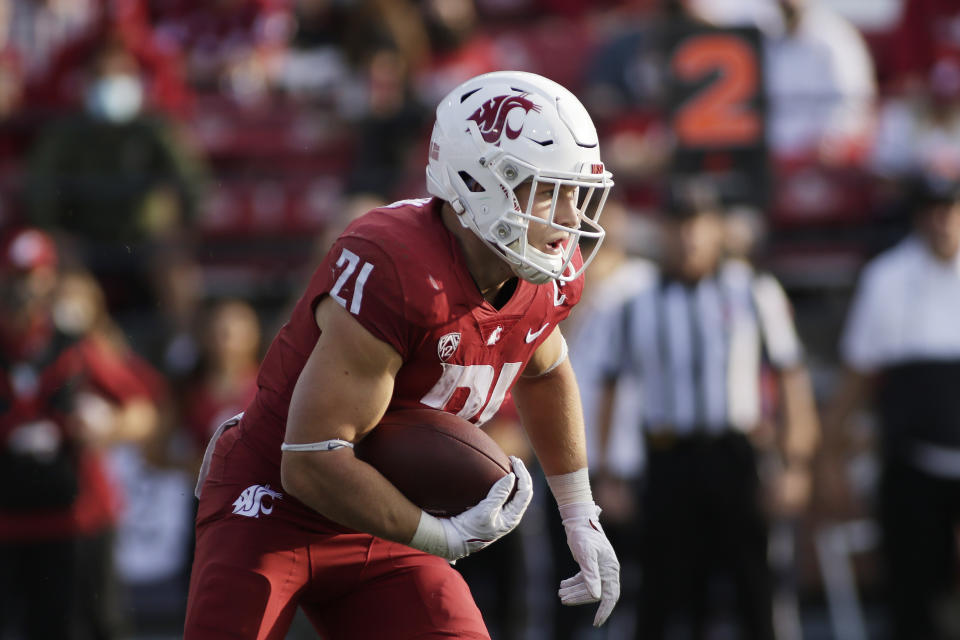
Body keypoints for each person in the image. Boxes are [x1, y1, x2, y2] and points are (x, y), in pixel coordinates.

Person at [184, 70, 621, 639]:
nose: (567, 218)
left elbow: (545, 368)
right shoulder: (397, 265)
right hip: (275, 502)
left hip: (380, 513)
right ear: (478, 181)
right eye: (547, 190)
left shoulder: (542, 277)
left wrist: (579, 513)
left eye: (575, 192)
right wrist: (441, 537)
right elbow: (311, 459)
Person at [595, 179, 820, 640]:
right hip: (666, 458)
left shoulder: (754, 292)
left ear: (718, 228)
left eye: (699, 223)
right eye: (678, 223)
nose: (689, 236)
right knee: (660, 594)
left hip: (735, 457)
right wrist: (608, 474)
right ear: (662, 229)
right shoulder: (636, 303)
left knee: (754, 589)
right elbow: (611, 385)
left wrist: (795, 463)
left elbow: (791, 377)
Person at [0, 228, 160, 639]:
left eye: (33, 276)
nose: (25, 288)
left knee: (93, 625)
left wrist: (103, 429)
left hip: (75, 515)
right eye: (16, 276)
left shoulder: (76, 347)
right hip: (9, 518)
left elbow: (143, 409)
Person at [825, 173, 960, 640]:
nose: (944, 221)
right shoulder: (887, 277)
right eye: (934, 211)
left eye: (952, 209)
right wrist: (832, 461)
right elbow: (855, 378)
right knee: (912, 594)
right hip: (911, 467)